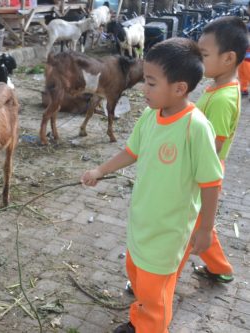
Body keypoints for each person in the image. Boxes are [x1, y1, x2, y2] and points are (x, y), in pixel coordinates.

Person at [82, 37, 223, 333]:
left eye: (151, 83)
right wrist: (99, 170)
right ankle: (139, 320)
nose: (143, 89)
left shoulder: (195, 127)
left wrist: (206, 229)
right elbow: (131, 152)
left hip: (169, 232)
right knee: (138, 277)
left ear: (179, 88)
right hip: (142, 223)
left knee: (155, 293)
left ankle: (150, 327)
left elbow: (211, 182)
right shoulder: (149, 116)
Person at [176, 16, 249, 283]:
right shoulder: (216, 86)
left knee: (186, 229)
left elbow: (212, 147)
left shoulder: (222, 99)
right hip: (204, 172)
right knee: (199, 224)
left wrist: (184, 169)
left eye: (203, 54)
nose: (198, 61)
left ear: (228, 58)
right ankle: (220, 268)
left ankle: (162, 279)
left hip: (204, 174)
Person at [237, 2, 250, 96]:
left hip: (248, 50)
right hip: (245, 50)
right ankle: (243, 89)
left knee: (246, 69)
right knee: (242, 69)